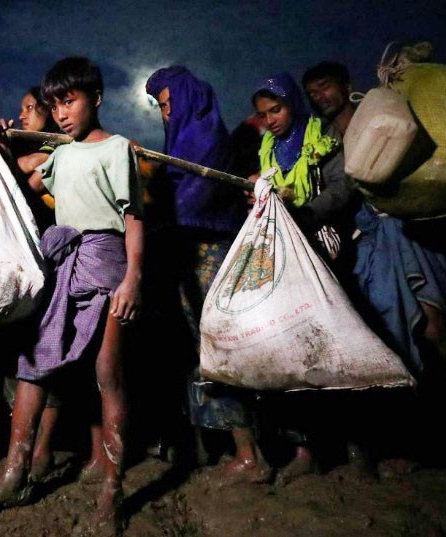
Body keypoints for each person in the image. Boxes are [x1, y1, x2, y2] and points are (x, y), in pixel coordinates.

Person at [0, 57, 144, 535]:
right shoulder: (58, 152)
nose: (61, 113)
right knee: (34, 365)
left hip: (106, 262)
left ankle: (111, 494)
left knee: (107, 373)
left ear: (95, 98)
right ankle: (13, 474)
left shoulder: (118, 149)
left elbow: (134, 220)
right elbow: (20, 186)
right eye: (55, 103)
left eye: (70, 101)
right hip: (60, 262)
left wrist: (133, 278)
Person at [301, 61, 446, 469]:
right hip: (369, 244)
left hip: (406, 231)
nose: (320, 98)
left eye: (325, 87)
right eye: (312, 93)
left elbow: (353, 186)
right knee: (394, 340)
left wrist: (309, 213)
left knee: (435, 329)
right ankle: (429, 443)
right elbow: (341, 190)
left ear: (346, 85)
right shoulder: (323, 142)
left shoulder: (381, 117)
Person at [143, 66, 271, 485]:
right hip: (185, 256)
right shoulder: (182, 142)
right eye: (160, 108)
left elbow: (192, 201)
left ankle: (250, 453)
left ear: (187, 100)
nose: (164, 114)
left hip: (209, 254)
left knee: (220, 346)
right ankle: (214, 447)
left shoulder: (207, 141)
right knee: (194, 352)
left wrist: (154, 198)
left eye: (167, 105)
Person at [250, 71, 361, 484]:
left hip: (324, 248)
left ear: (292, 103)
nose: (270, 119)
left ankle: (357, 445)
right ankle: (306, 450)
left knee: (340, 344)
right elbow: (272, 190)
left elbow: (342, 188)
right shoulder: (269, 146)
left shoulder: (323, 137)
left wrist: (304, 212)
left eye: (275, 109)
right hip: (286, 253)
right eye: (263, 114)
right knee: (296, 348)